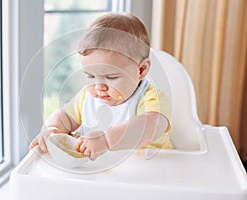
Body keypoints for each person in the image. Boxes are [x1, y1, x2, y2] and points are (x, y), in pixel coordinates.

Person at [29, 12, 173, 161]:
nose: (99, 87)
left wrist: (107, 140)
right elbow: (64, 116)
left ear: (141, 69)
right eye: (90, 76)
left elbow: (149, 127)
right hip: (101, 175)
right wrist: (51, 130)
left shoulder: (152, 99)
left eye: (111, 77)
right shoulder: (86, 97)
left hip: (151, 173)